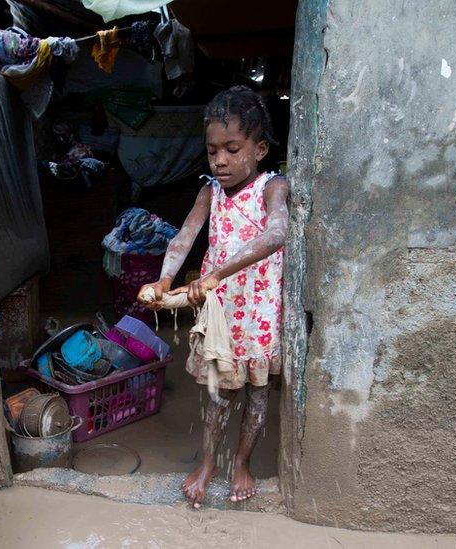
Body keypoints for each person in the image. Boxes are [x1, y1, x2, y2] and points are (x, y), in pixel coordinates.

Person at [138, 85, 289, 507]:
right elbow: (183, 239)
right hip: (221, 316)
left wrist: (218, 273)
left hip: (258, 315)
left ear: (259, 149)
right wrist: (163, 282)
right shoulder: (210, 192)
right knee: (218, 393)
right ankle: (208, 463)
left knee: (257, 397)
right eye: (212, 151)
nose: (220, 160)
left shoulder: (273, 187)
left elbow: (278, 232)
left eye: (232, 148)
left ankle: (241, 462)